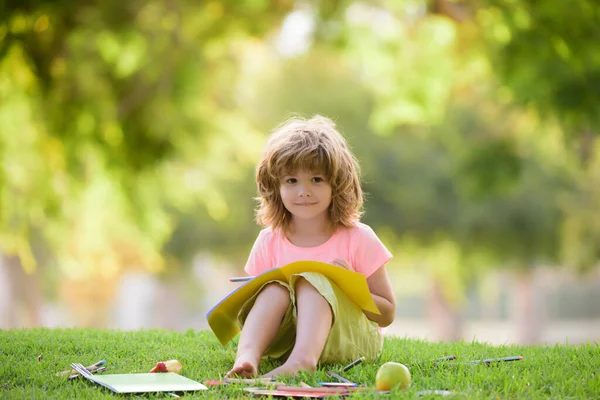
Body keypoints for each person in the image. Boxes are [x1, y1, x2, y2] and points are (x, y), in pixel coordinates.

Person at [225, 115, 396, 379]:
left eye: (316, 179)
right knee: (273, 288)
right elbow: (250, 309)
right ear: (276, 187)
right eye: (292, 181)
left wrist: (351, 287)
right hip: (285, 343)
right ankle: (247, 358)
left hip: (350, 341)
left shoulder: (359, 238)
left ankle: (302, 362)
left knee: (312, 281)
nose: (304, 191)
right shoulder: (269, 241)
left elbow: (386, 315)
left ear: (336, 184)